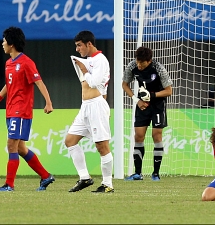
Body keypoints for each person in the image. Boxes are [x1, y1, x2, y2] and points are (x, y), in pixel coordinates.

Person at [0, 26, 55, 192]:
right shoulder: (8, 63)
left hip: (21, 111)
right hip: (10, 110)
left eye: (4, 40)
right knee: (20, 148)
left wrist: (48, 102)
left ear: (11, 43)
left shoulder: (26, 63)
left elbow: (39, 82)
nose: (2, 43)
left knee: (11, 145)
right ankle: (46, 176)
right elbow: (9, 84)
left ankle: (9, 185)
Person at [65, 30, 114, 193]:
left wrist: (84, 69)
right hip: (85, 106)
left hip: (96, 106)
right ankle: (85, 178)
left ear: (89, 44)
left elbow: (94, 83)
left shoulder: (100, 60)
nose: (78, 49)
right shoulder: (89, 60)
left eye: (79, 45)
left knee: (102, 146)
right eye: (76, 46)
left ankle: (108, 184)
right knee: (70, 141)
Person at [122, 46, 173, 181]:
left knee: (156, 136)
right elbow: (124, 84)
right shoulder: (132, 65)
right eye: (137, 61)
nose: (139, 65)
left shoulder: (159, 68)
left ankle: (156, 173)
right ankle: (138, 173)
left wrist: (152, 95)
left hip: (157, 105)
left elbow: (168, 91)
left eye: (142, 63)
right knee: (138, 136)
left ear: (149, 61)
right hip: (142, 105)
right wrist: (136, 100)